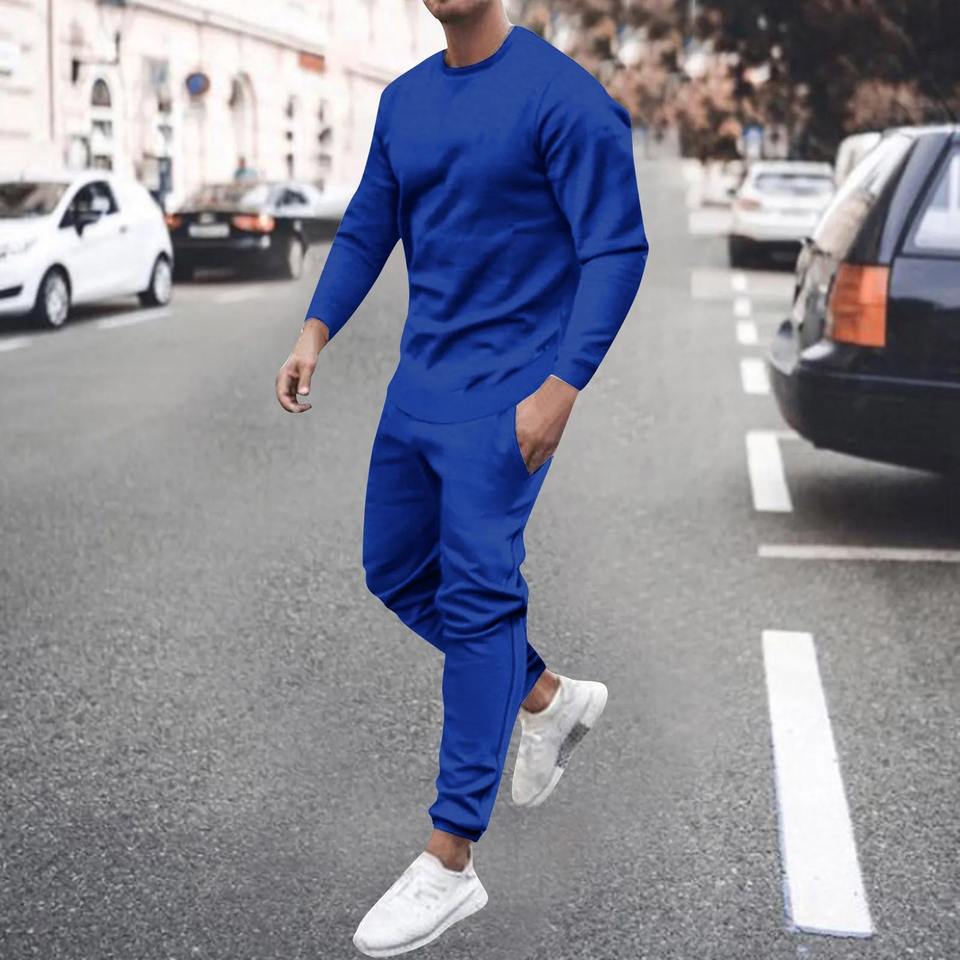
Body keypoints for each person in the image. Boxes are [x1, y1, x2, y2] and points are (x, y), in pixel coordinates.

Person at [275, 2, 648, 954]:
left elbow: (617, 247)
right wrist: (315, 331)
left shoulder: (565, 99)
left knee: (480, 599)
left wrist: (561, 389)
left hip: (509, 399)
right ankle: (546, 697)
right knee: (396, 568)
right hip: (419, 389)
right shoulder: (404, 101)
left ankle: (449, 860)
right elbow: (369, 224)